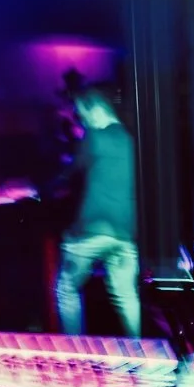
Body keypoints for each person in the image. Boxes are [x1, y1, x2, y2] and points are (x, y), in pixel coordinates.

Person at [54, 87, 141, 337]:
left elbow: (69, 175)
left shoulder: (94, 137)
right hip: (125, 234)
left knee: (67, 288)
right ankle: (139, 348)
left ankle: (74, 348)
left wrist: (35, 187)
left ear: (95, 109)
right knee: (126, 295)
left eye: (83, 114)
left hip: (91, 231)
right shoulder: (132, 139)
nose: (83, 120)